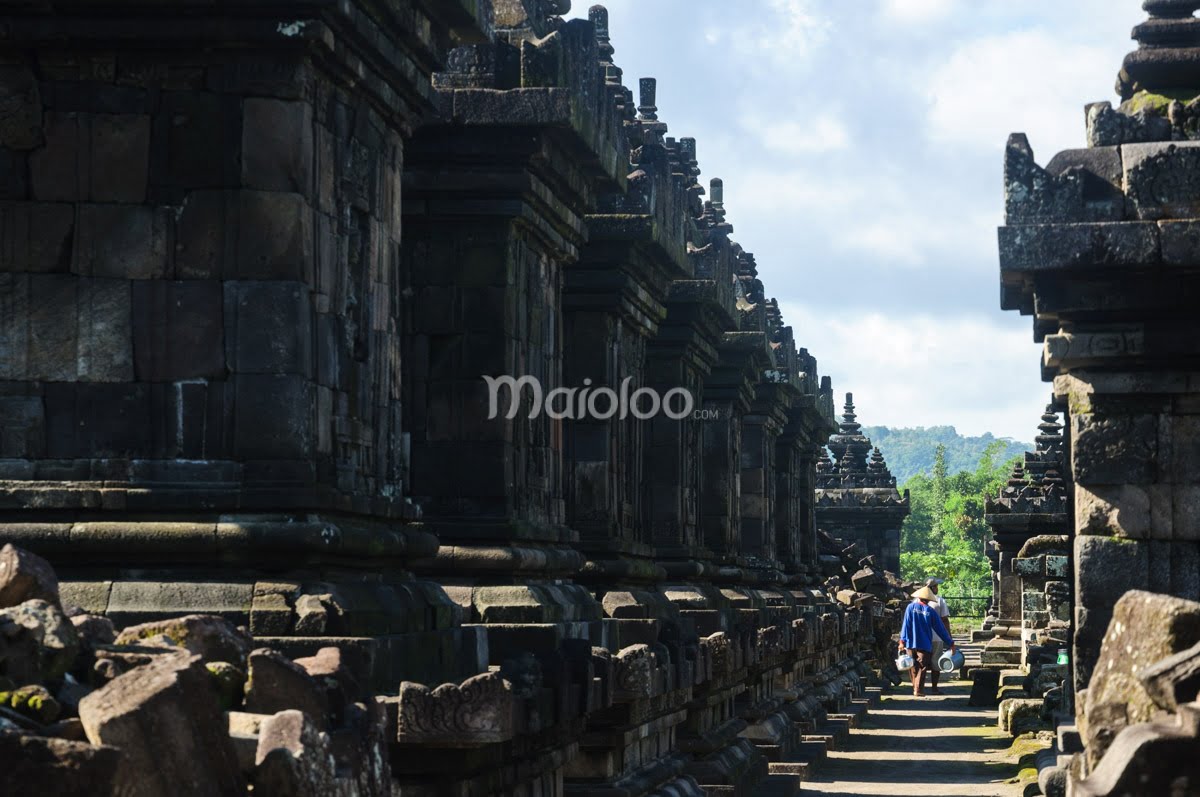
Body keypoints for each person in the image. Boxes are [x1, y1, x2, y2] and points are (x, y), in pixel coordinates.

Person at [899, 585, 955, 697]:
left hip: (910, 642)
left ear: (919, 597)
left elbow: (906, 625)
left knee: (912, 666)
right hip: (924, 643)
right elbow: (940, 629)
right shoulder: (930, 611)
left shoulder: (910, 608)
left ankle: (915, 687)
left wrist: (902, 641)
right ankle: (918, 689)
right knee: (922, 666)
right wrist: (950, 643)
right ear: (929, 599)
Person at [925, 578, 951, 694]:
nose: (937, 588)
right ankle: (934, 688)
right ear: (932, 588)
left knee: (921, 662)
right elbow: (945, 620)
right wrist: (949, 637)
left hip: (922, 637)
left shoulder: (916, 601)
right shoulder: (939, 601)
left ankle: (918, 688)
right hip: (937, 636)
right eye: (936, 587)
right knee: (936, 662)